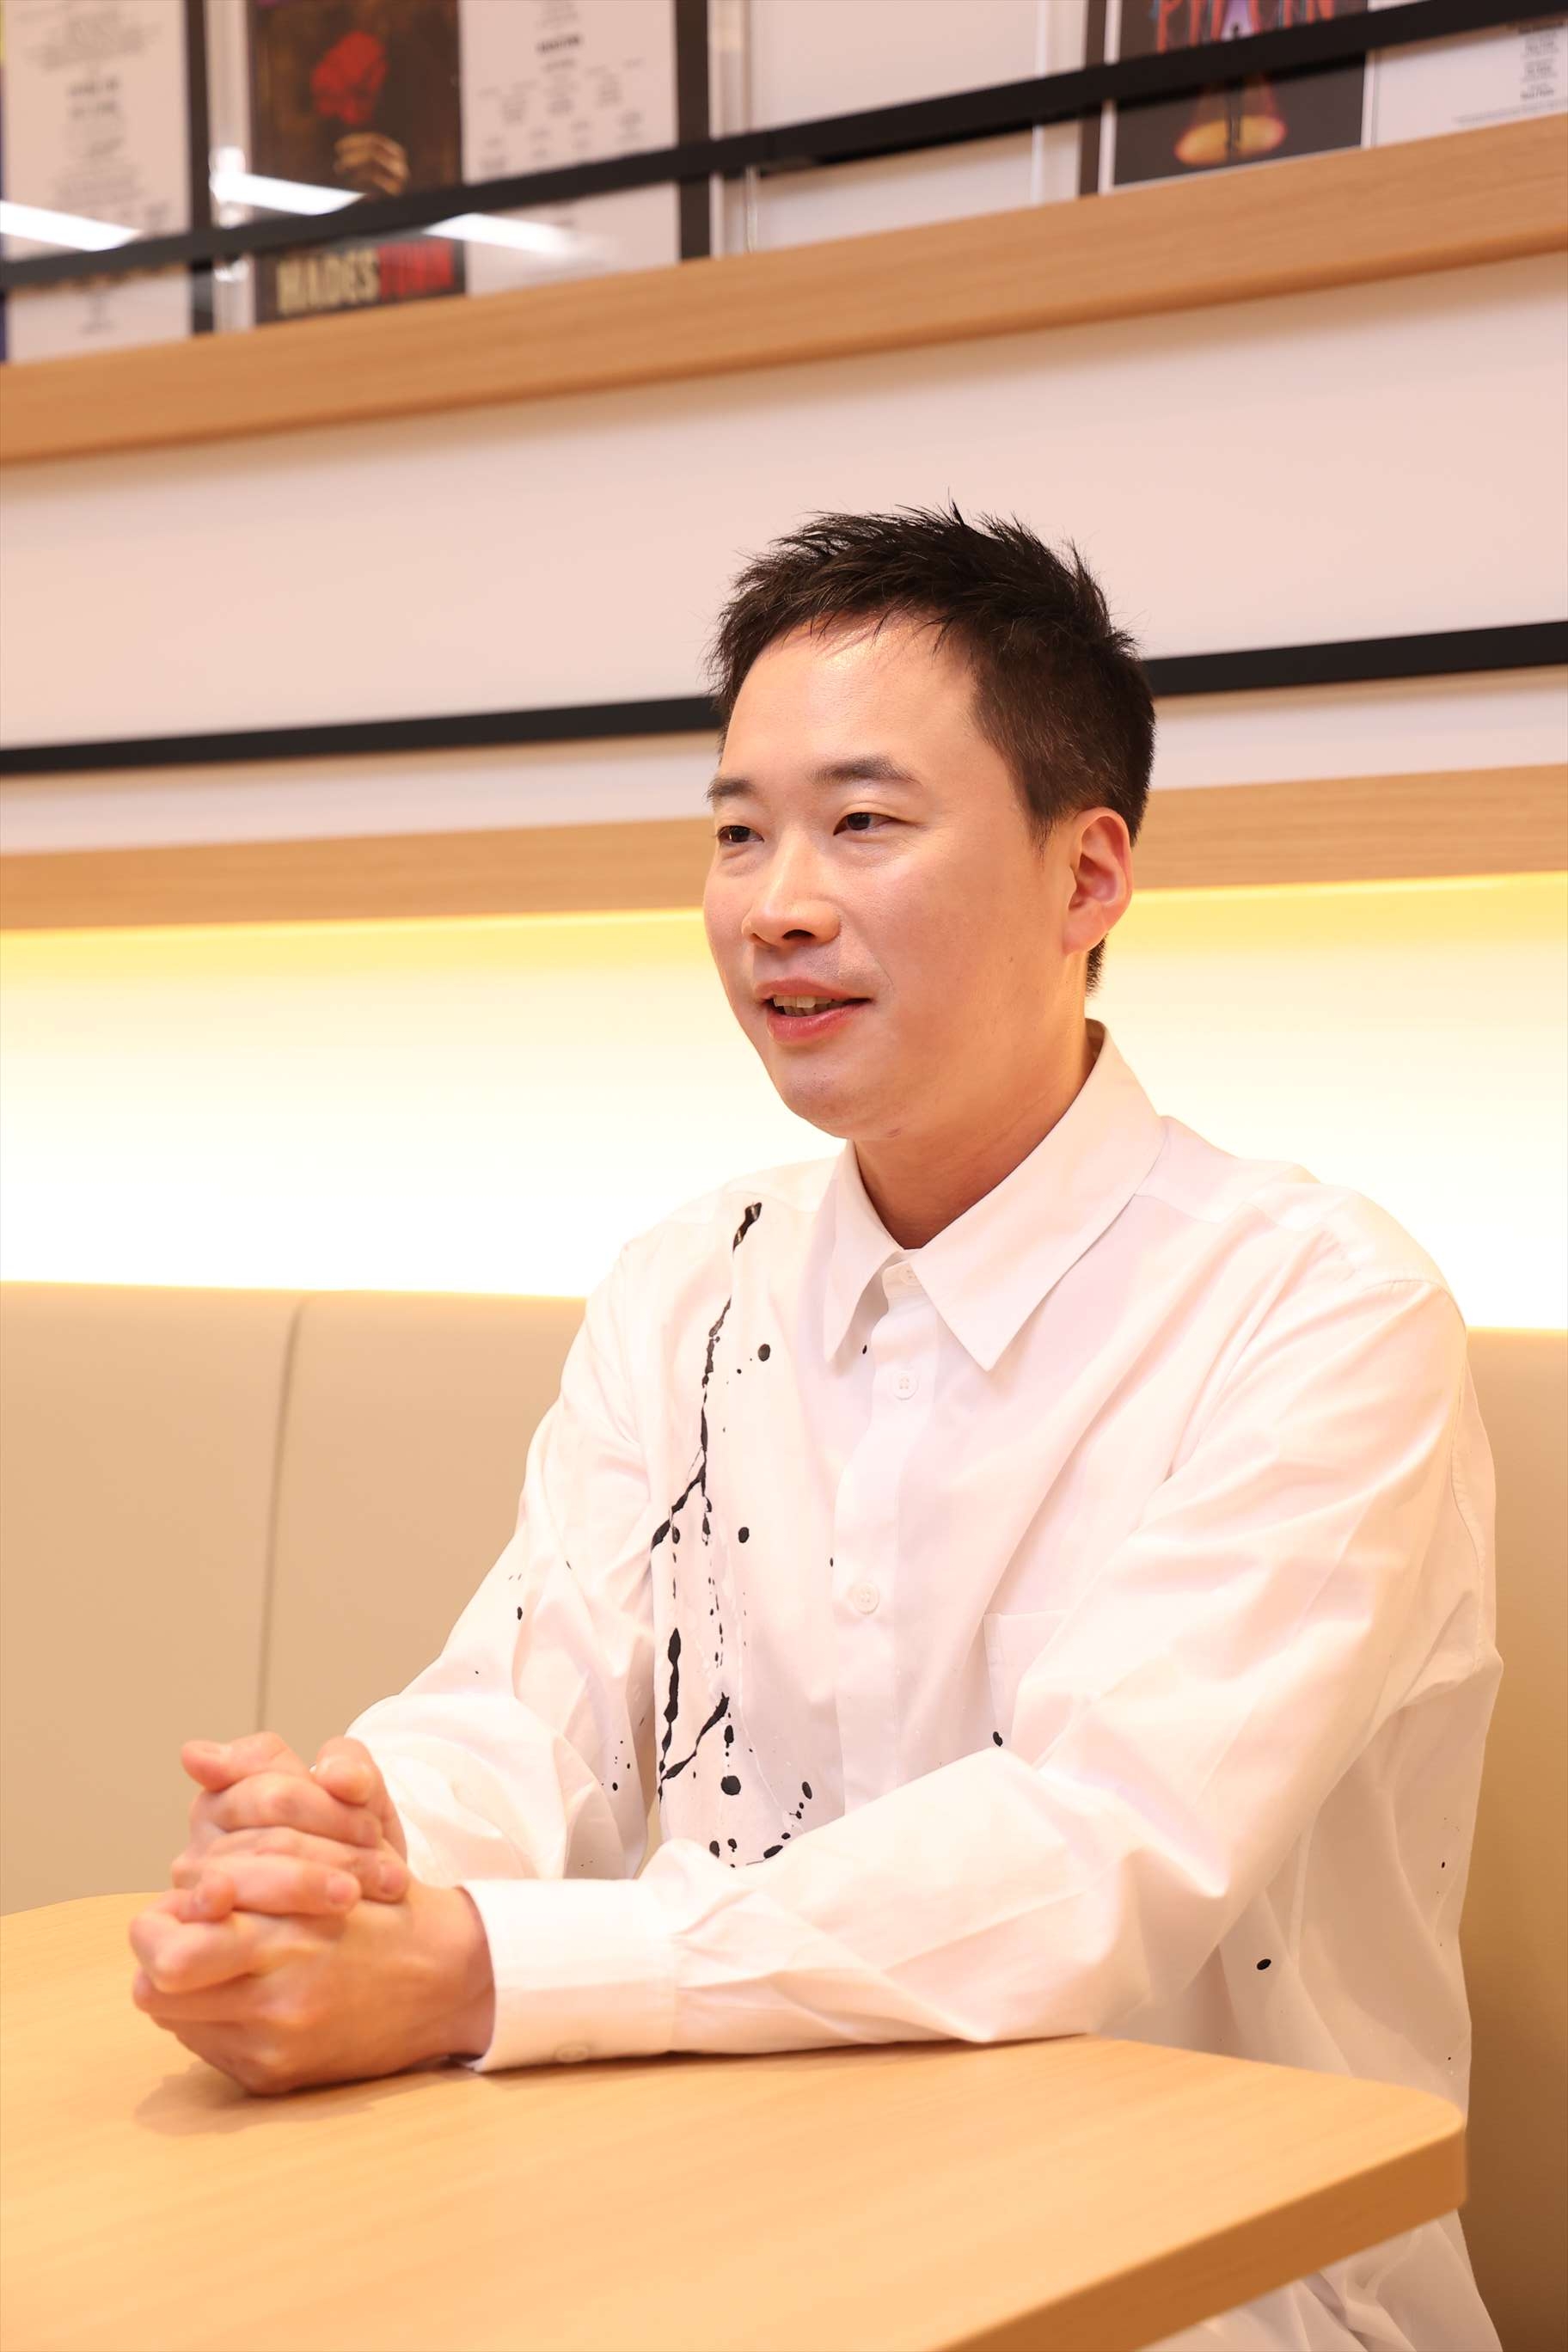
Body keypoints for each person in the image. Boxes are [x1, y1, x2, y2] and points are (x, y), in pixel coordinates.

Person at [128, 505, 1501, 2352]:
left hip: (1203, 2287)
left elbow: (1092, 1854)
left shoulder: (1316, 1309)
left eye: (863, 823)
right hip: (707, 2215)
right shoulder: (686, 1286)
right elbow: (532, 1714)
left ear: (1088, 874)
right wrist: (363, 1843)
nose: (776, 901)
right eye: (736, 832)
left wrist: (478, 1971)